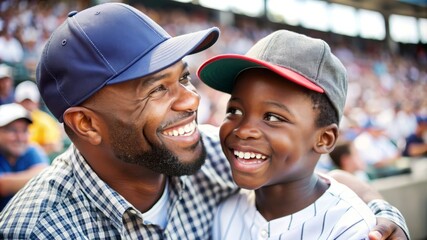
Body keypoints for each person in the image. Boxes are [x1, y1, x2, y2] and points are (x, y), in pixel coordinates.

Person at [0, 3, 409, 239]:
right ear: (86, 125)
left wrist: (382, 213)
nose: (192, 100)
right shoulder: (39, 228)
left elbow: (324, 180)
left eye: (182, 78)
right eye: (157, 89)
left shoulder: (212, 152)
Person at [198, 29, 380, 239]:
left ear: (324, 138)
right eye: (235, 111)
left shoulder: (352, 228)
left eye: (273, 117)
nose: (244, 129)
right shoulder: (224, 211)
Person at [0, 103, 49, 211]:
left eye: (25, 131)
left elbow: (45, 175)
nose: (20, 137)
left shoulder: (32, 150)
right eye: (13, 130)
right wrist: (39, 176)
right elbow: (2, 186)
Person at [14, 80, 63, 157]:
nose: (27, 105)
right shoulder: (10, 119)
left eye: (30, 102)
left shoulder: (45, 120)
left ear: (36, 103)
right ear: (16, 102)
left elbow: (53, 146)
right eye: (23, 102)